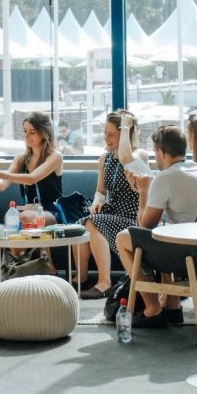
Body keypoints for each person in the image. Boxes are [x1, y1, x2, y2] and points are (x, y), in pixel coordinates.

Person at [115, 125, 197, 327]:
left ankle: (152, 308)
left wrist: (143, 192)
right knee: (164, 238)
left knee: (123, 238)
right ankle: (173, 307)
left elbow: (143, 229)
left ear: (160, 151)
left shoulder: (165, 178)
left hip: (195, 258)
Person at [75, 110, 149, 299]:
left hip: (131, 216)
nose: (106, 139)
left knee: (93, 222)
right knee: (84, 223)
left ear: (126, 133)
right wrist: (98, 201)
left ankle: (104, 282)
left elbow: (126, 156)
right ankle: (81, 279)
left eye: (112, 134)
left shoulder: (138, 155)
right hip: (112, 211)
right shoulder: (105, 158)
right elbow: (100, 190)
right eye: (105, 134)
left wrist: (126, 129)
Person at [0, 112, 64, 225]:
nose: (26, 136)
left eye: (32, 132)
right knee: (12, 217)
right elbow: (2, 185)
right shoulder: (21, 159)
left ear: (44, 133)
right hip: (28, 211)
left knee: (25, 217)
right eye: (25, 131)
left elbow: (31, 179)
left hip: (52, 212)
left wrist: (2, 174)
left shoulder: (55, 157)